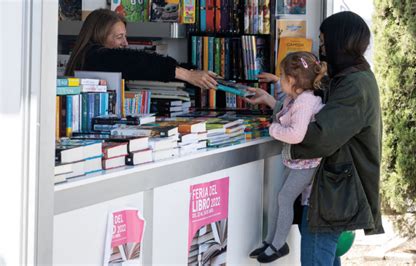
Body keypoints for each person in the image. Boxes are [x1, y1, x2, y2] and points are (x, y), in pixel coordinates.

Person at [246, 11, 384, 266]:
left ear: (338, 43)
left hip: (334, 193)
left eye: (323, 42)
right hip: (331, 190)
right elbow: (310, 109)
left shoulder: (354, 85)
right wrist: (277, 100)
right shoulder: (349, 77)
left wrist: (281, 137)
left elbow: (319, 136)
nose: (321, 49)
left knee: (315, 256)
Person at [248, 52, 327, 263]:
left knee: (284, 198)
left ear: (292, 80)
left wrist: (273, 129)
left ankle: (279, 244)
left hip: (306, 163)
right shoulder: (297, 98)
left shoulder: (304, 103)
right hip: (297, 161)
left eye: (281, 76)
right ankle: (271, 241)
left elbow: (295, 134)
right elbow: (284, 111)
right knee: (279, 197)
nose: (279, 79)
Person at [65, 9, 217, 90]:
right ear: (99, 35)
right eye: (119, 37)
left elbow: (147, 68)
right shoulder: (93, 56)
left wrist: (193, 73)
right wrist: (187, 75)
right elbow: (136, 61)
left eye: (125, 36)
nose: (125, 43)